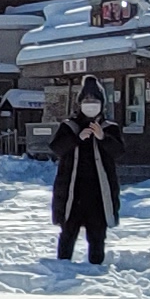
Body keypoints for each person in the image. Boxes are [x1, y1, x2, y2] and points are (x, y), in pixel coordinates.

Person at [47, 74, 120, 268]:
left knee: (97, 235)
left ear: (102, 103)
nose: (91, 104)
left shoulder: (109, 127)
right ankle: (62, 269)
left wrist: (103, 138)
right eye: (87, 100)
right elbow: (57, 148)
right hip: (72, 191)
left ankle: (96, 270)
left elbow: (119, 152)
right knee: (68, 232)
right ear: (80, 103)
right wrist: (77, 138)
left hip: (99, 193)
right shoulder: (69, 126)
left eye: (95, 100)